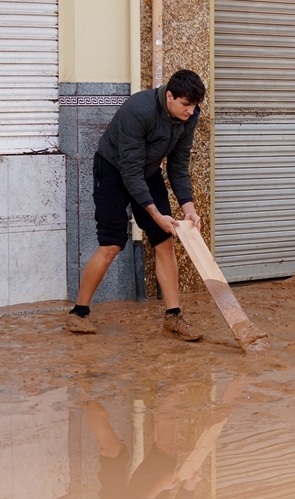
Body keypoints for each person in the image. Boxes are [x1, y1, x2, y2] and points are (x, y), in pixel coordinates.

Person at [66, 69, 206, 340]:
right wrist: (154, 214)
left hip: (149, 172)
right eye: (186, 104)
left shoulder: (189, 118)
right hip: (113, 171)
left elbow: (178, 167)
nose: (191, 111)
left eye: (195, 105)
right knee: (112, 244)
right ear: (169, 96)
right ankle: (78, 313)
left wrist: (189, 209)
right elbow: (129, 171)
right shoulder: (138, 110)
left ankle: (173, 317)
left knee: (165, 239)